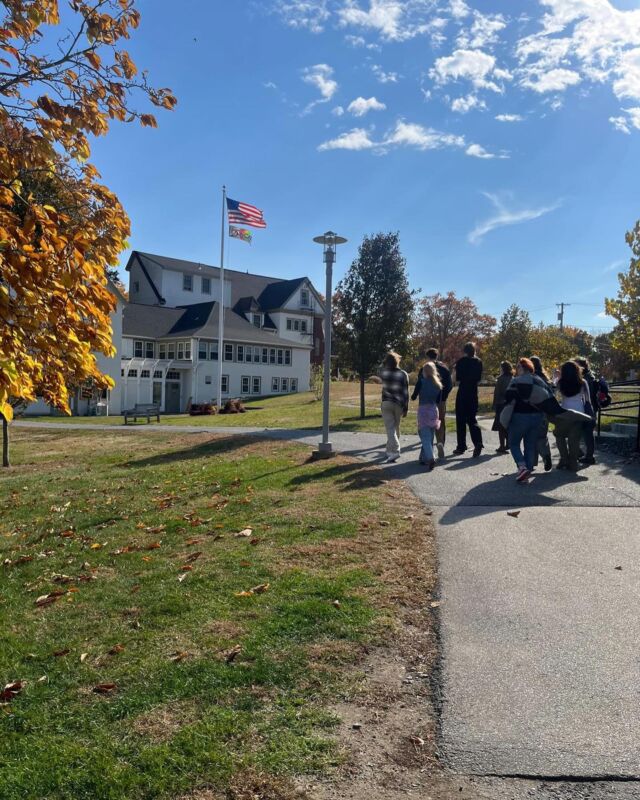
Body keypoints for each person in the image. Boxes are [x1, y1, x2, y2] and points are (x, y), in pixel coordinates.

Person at [504, 358, 547, 483]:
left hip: (519, 416)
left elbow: (508, 397)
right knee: (530, 444)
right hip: (536, 416)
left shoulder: (516, 381)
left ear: (523, 368)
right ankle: (528, 469)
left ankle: (522, 466)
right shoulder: (539, 381)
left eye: (518, 367)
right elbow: (547, 396)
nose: (516, 370)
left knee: (514, 443)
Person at [416, 348, 452, 459]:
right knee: (440, 421)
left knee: (427, 425)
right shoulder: (444, 368)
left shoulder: (424, 369)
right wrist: (444, 397)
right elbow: (449, 385)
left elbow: (420, 384)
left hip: (427, 402)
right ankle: (440, 442)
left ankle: (428, 451)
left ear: (427, 356)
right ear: (437, 356)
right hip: (440, 400)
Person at [555, 360, 591, 471]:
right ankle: (573, 463)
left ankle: (564, 458)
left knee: (559, 435)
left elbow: (555, 396)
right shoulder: (583, 382)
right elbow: (588, 400)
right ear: (577, 370)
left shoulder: (560, 382)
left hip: (564, 413)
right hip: (579, 414)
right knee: (574, 438)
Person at [453, 342, 484, 457]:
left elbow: (458, 379)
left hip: (463, 391)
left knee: (460, 419)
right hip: (473, 391)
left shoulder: (461, 362)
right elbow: (479, 378)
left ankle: (461, 446)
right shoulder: (478, 362)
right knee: (472, 419)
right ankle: (478, 442)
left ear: (465, 351)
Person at [379, 351, 409, 463]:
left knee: (391, 428)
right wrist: (406, 407)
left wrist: (385, 362)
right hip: (398, 403)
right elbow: (406, 392)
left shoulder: (383, 372)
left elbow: (380, 367)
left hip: (386, 403)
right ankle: (390, 451)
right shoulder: (403, 374)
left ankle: (394, 451)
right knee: (394, 428)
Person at [413, 362, 442, 471]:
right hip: (434, 409)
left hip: (423, 410)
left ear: (424, 372)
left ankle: (430, 458)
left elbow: (413, 396)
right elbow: (439, 400)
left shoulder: (421, 382)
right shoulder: (438, 384)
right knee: (430, 434)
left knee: (424, 436)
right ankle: (424, 458)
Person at [530, 356, 553, 472]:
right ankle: (546, 455)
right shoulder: (545, 379)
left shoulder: (530, 378)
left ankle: (531, 461)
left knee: (530, 436)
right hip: (544, 411)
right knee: (542, 436)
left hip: (532, 410)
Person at [574, 356, 597, 465]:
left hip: (587, 408)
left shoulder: (586, 378)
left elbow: (588, 396)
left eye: (576, 365)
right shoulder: (590, 376)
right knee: (587, 433)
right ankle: (588, 455)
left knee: (585, 433)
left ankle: (588, 456)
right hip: (591, 408)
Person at [492, 361, 514, 453]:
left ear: (503, 368)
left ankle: (502, 446)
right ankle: (509, 443)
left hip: (501, 403)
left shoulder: (500, 379)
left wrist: (494, 405)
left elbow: (497, 393)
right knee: (508, 425)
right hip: (510, 404)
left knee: (501, 426)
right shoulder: (513, 378)